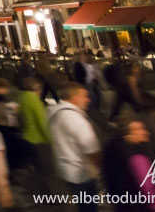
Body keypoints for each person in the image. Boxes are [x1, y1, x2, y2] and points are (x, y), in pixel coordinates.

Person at [48, 83, 101, 212]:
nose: (88, 99)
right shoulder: (75, 119)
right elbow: (91, 149)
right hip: (81, 173)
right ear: (74, 97)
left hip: (64, 169)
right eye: (85, 96)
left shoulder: (52, 112)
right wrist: (100, 170)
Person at [102, 118, 155, 212]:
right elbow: (146, 184)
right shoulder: (136, 155)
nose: (146, 132)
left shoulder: (112, 146)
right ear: (129, 135)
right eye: (140, 129)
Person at [17, 77, 53, 196]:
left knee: (36, 167)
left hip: (26, 137)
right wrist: (51, 140)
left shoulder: (21, 98)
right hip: (37, 140)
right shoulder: (34, 100)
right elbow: (43, 123)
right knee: (44, 169)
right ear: (36, 88)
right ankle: (47, 196)